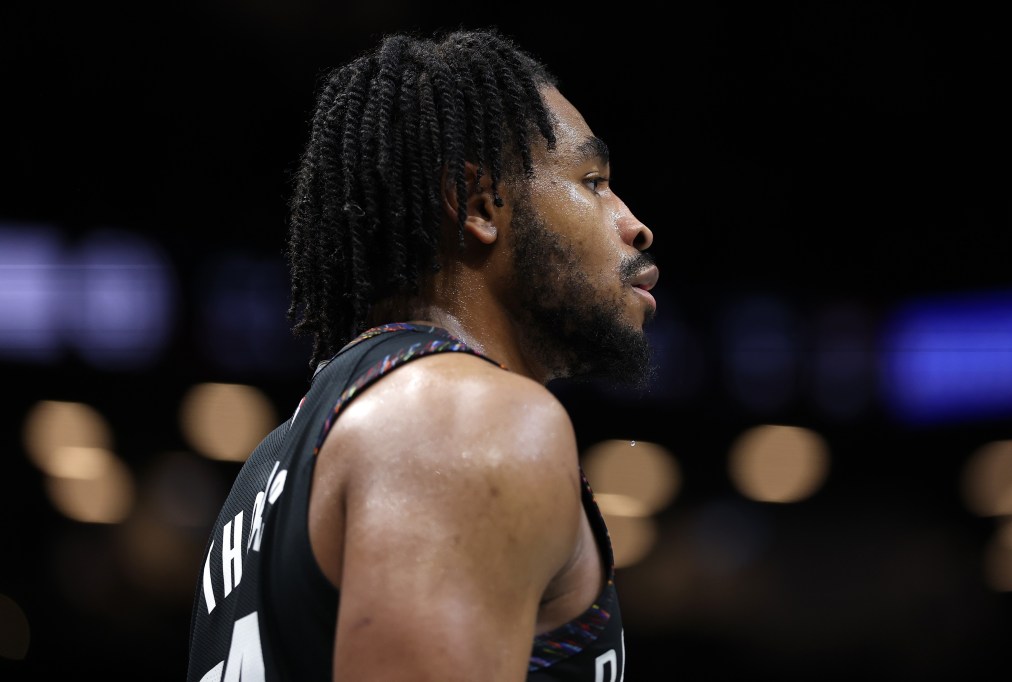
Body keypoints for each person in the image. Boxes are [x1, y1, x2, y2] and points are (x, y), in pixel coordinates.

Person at [186, 26, 658, 682]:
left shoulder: (269, 467)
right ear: (479, 205)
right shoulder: (468, 418)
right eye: (594, 181)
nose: (635, 225)